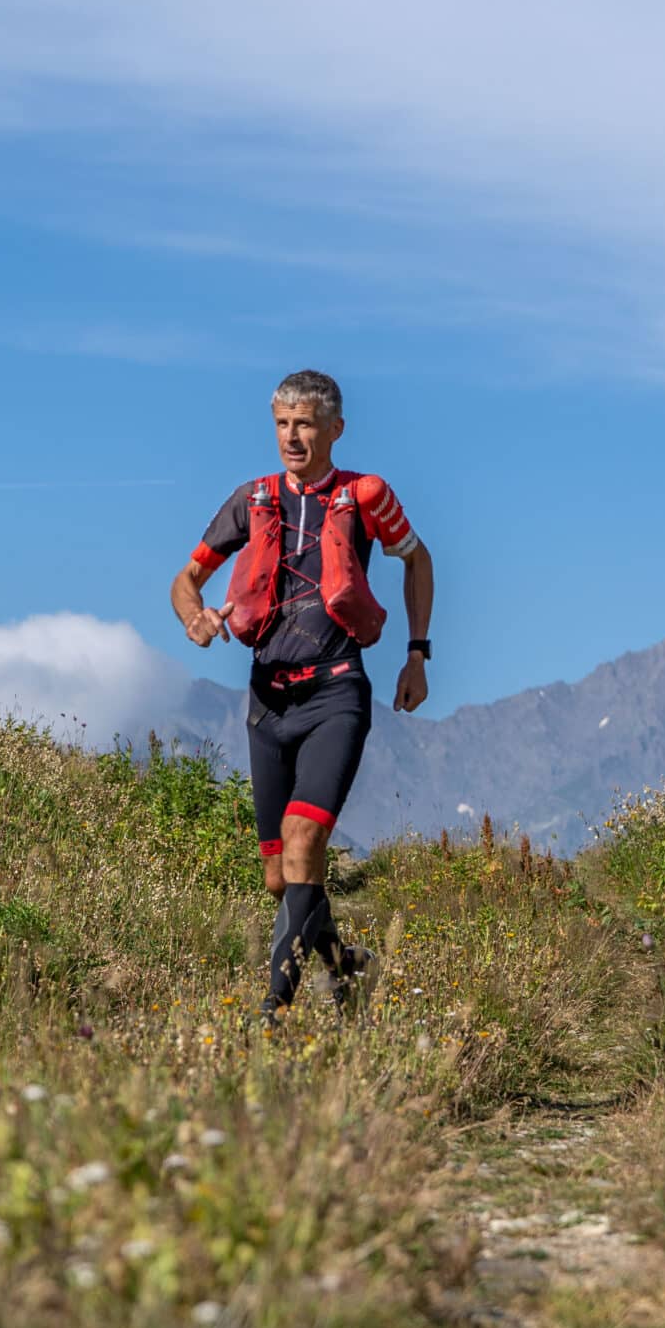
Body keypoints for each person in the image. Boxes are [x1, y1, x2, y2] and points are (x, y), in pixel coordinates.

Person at [170, 370, 433, 1020]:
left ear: (335, 430)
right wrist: (195, 618)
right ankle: (346, 965)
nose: (293, 436)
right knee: (279, 876)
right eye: (283, 423)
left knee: (302, 840)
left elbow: (418, 558)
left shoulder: (364, 496)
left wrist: (417, 654)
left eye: (306, 423)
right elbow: (186, 577)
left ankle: (273, 1014)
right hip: (267, 701)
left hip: (336, 693)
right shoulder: (251, 498)